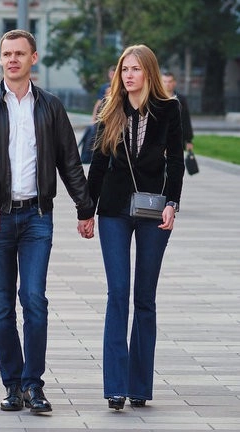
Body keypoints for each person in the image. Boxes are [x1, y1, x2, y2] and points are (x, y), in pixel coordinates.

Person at [0, 29, 95, 414]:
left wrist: (85, 208)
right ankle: (12, 384)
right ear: (0, 59)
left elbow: (69, 161)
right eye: (7, 54)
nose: (13, 60)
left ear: (33, 58)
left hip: (38, 217)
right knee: (2, 307)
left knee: (34, 299)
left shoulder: (50, 107)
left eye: (20, 54)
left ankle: (34, 385)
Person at [87, 45, 184, 410]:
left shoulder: (169, 109)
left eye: (135, 69)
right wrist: (86, 210)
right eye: (124, 69)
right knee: (118, 294)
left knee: (144, 297)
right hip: (113, 210)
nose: (128, 75)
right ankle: (115, 386)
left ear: (149, 73)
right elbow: (98, 165)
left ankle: (139, 386)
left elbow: (176, 163)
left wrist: (172, 204)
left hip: (153, 211)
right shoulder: (110, 108)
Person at [161, 71, 194, 152]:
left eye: (170, 81)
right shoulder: (155, 99)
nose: (167, 84)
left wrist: (189, 140)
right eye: (164, 81)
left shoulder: (181, 100)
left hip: (177, 139)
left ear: (174, 83)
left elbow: (186, 119)